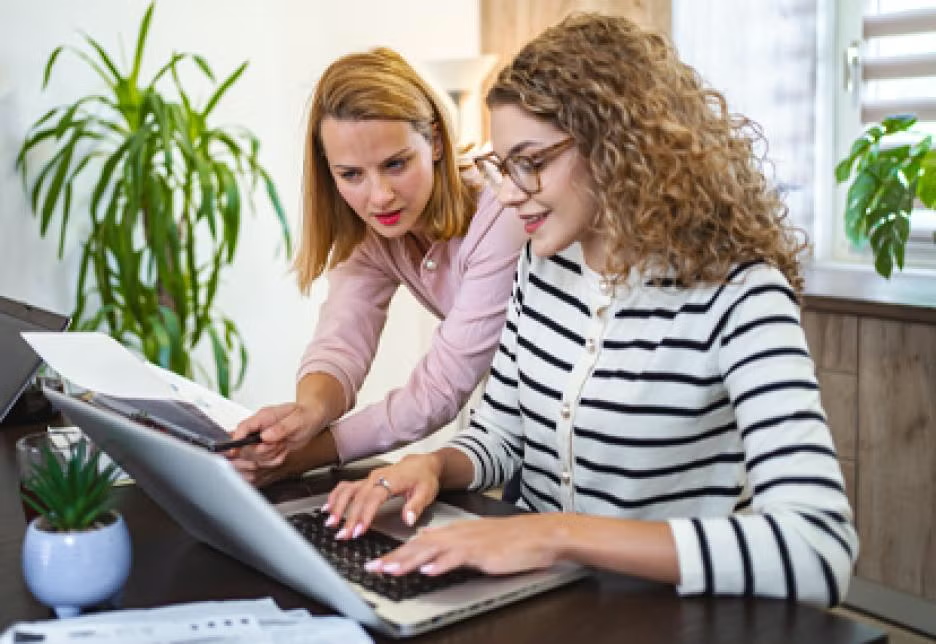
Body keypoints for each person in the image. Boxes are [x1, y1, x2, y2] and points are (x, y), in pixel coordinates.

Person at [321, 13, 858, 606]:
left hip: (665, 614)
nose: (505, 192)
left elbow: (817, 547)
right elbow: (502, 433)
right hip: (547, 603)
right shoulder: (542, 269)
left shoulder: (740, 295)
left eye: (533, 162)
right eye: (503, 165)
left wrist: (556, 535)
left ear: (618, 145)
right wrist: (432, 465)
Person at [228, 48, 526, 485]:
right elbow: (341, 341)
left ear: (437, 143)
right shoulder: (370, 234)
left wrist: (304, 456)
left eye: (396, 164)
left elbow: (439, 390)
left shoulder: (499, 214)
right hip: (511, 431)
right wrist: (305, 414)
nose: (379, 196)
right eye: (351, 175)